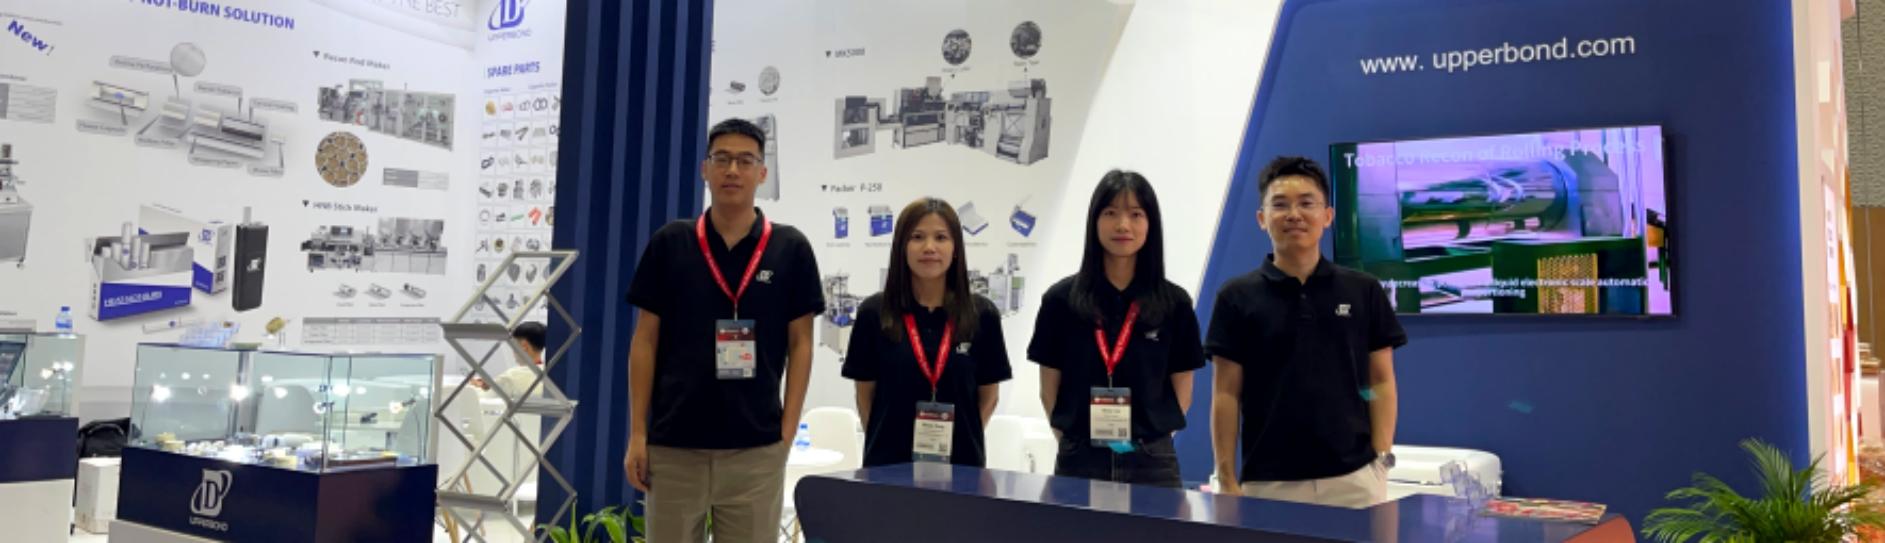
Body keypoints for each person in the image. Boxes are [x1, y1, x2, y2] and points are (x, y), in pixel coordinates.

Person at [623, 118, 825, 542]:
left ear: (762, 172)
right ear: (705, 169)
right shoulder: (671, 243)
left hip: (755, 450)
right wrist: (638, 433)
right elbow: (644, 341)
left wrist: (786, 433)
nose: (733, 170)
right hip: (675, 447)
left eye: (745, 161)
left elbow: (802, 343)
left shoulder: (790, 249)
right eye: (722, 159)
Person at [1207, 156, 1407, 509]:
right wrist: (1226, 478)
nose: (1294, 215)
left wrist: (1381, 460)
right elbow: (1226, 394)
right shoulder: (1236, 297)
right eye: (1280, 205)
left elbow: (1381, 380)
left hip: (1354, 480)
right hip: (1269, 482)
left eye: (1306, 203)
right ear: (1262, 218)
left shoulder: (1363, 290)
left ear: (1327, 216)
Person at [1027, 170, 1204, 487]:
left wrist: (1152, 437)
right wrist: (1070, 440)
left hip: (1152, 459)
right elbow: (1049, 388)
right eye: (1110, 213)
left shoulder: (1174, 303)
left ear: (1150, 224)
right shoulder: (1061, 300)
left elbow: (1183, 390)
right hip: (1080, 456)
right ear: (1094, 221)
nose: (1123, 225)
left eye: (1136, 214)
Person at [842, 198, 1012, 468]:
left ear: (955, 248)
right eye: (917, 237)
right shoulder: (875, 313)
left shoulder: (982, 314)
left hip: (961, 468)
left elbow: (989, 397)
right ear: (902, 247)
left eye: (941, 237)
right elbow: (865, 396)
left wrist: (957, 442)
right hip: (888, 466)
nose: (929, 247)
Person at [471, 322, 547, 397]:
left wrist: (475, 386)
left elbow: (483, 396)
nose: (513, 352)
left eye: (514, 346)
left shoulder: (513, 376)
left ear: (524, 346)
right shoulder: (548, 374)